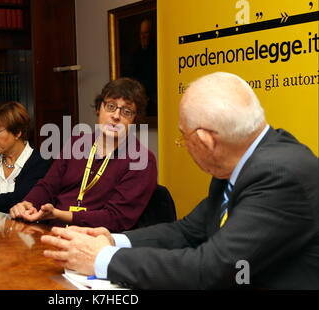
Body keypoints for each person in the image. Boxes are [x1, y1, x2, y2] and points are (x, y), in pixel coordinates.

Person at [40, 72, 319, 289]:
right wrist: (111, 240)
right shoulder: (238, 161)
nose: (183, 146)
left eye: (183, 138)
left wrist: (101, 259)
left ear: (206, 141)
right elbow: (187, 232)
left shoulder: (280, 175)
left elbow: (211, 269)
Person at [9, 78, 157, 233]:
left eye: (126, 111)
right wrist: (28, 203)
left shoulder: (142, 160)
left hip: (95, 241)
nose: (116, 116)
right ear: (99, 108)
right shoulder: (77, 143)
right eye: (111, 106)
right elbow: (48, 185)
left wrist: (61, 215)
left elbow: (116, 218)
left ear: (135, 120)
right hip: (50, 231)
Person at [123, 18, 157, 116]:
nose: (143, 37)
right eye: (141, 33)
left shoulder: (157, 52)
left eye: (146, 33)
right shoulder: (135, 54)